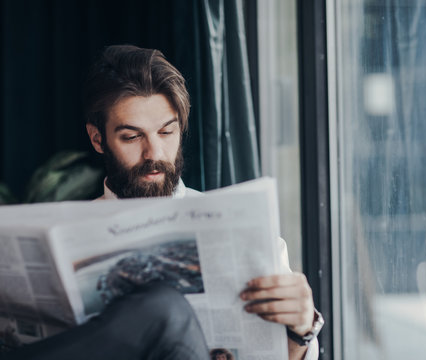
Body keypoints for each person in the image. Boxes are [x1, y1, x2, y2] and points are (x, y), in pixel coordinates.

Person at [20, 44, 318, 360]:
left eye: (166, 132)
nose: (155, 154)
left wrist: (301, 330)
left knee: (165, 309)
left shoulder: (242, 230)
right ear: (98, 139)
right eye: (132, 137)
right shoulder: (65, 234)